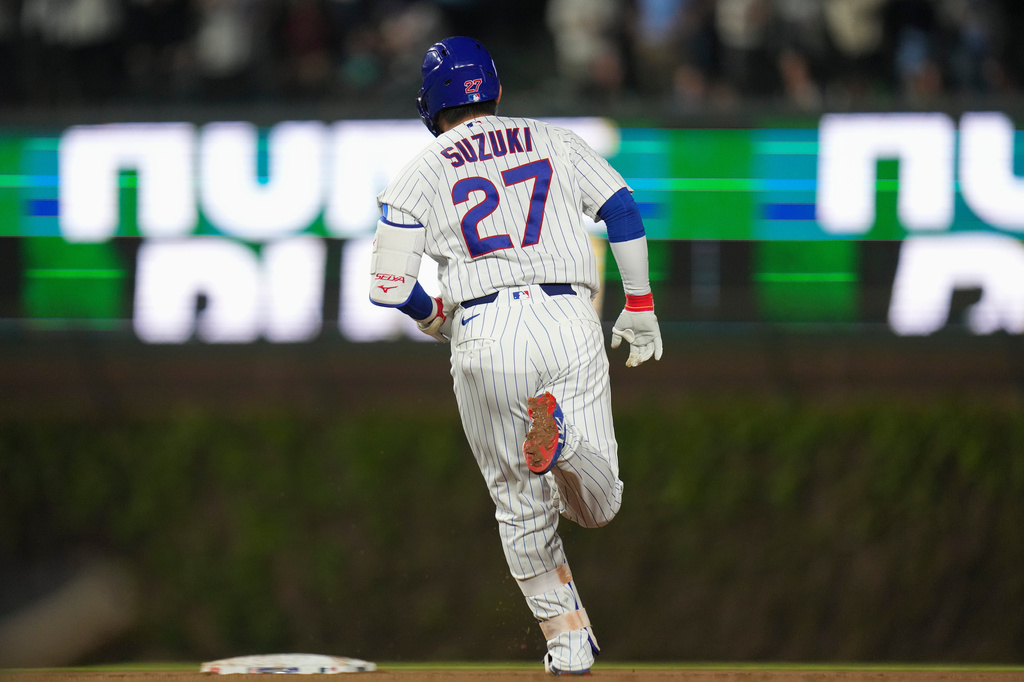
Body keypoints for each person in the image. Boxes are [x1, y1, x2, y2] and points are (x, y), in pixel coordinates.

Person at [368, 36, 662, 675]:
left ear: (431, 104)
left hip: (482, 329)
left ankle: (567, 643)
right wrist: (638, 304)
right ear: (495, 89)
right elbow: (621, 207)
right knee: (599, 504)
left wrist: (432, 313)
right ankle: (563, 446)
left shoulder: (420, 169)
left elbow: (387, 285)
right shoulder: (551, 138)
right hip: (566, 314)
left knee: (519, 504)